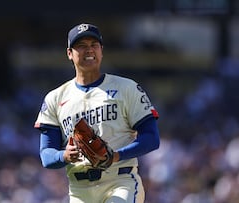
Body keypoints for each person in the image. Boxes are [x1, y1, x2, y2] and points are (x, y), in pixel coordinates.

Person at [34, 23, 160, 203]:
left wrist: (117, 155)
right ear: (69, 53)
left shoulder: (127, 88)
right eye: (82, 46)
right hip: (79, 190)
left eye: (94, 45)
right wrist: (63, 155)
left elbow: (151, 138)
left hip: (120, 181)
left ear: (101, 50)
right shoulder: (55, 98)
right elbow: (46, 154)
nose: (89, 50)